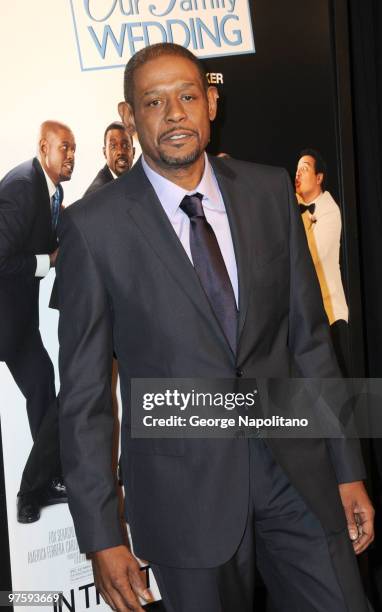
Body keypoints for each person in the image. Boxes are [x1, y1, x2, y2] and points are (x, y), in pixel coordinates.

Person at [57, 44, 374, 612]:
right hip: (185, 499)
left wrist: (347, 467)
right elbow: (84, 399)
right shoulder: (94, 227)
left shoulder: (267, 191)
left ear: (211, 102)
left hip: (295, 473)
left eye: (187, 96)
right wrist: (103, 534)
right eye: (154, 102)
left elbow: (308, 341)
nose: (175, 113)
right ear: (129, 118)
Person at [0, 120, 76, 523]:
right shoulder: (21, 187)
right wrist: (47, 262)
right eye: (65, 148)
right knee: (44, 387)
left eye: (74, 149)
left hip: (17, 322)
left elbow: (50, 238)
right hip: (5, 321)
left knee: (43, 387)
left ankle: (39, 485)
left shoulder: (51, 192)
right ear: (44, 147)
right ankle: (35, 488)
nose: (71, 156)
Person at [295, 149, 349, 374]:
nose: (298, 174)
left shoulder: (329, 210)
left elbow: (313, 256)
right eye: (296, 170)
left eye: (304, 169)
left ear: (319, 178)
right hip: (307, 317)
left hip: (331, 315)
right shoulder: (295, 210)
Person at [84, 121, 135, 196]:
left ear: (133, 152)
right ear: (105, 153)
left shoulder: (138, 181)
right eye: (113, 146)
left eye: (125, 145)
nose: (120, 152)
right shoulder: (96, 193)